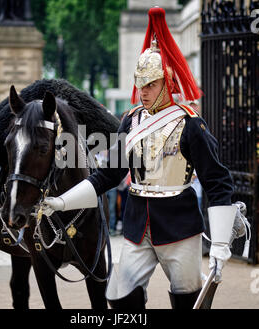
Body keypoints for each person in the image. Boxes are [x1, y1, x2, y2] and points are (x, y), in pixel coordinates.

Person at [42, 8, 237, 309]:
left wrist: (222, 243)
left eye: (151, 85)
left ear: (167, 82)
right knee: (120, 301)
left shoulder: (190, 123)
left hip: (180, 226)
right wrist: (61, 202)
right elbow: (109, 175)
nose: (143, 92)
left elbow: (217, 180)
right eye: (140, 83)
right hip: (137, 225)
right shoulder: (130, 120)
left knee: (187, 300)